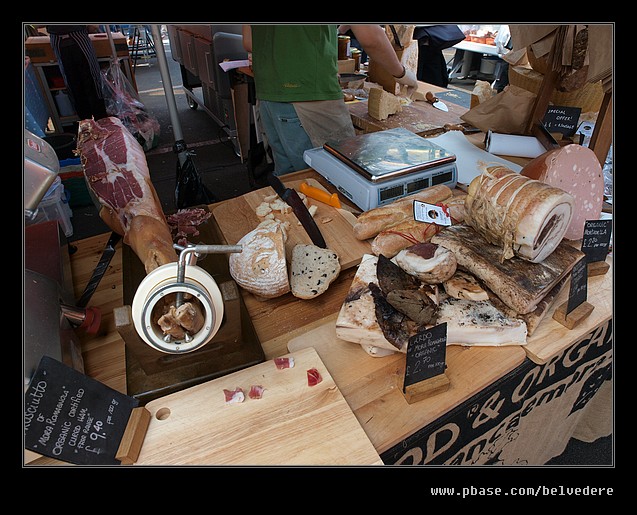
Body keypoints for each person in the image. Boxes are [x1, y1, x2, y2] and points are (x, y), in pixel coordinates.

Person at [242, 24, 418, 175]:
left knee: (291, 185)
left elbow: (249, 42)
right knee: (338, 182)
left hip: (269, 96)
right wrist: (401, 73)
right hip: (310, 97)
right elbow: (371, 37)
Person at [46, 24, 108, 121]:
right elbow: (93, 26)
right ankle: (100, 121)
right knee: (92, 82)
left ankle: (87, 124)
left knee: (74, 85)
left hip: (62, 41)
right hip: (77, 37)